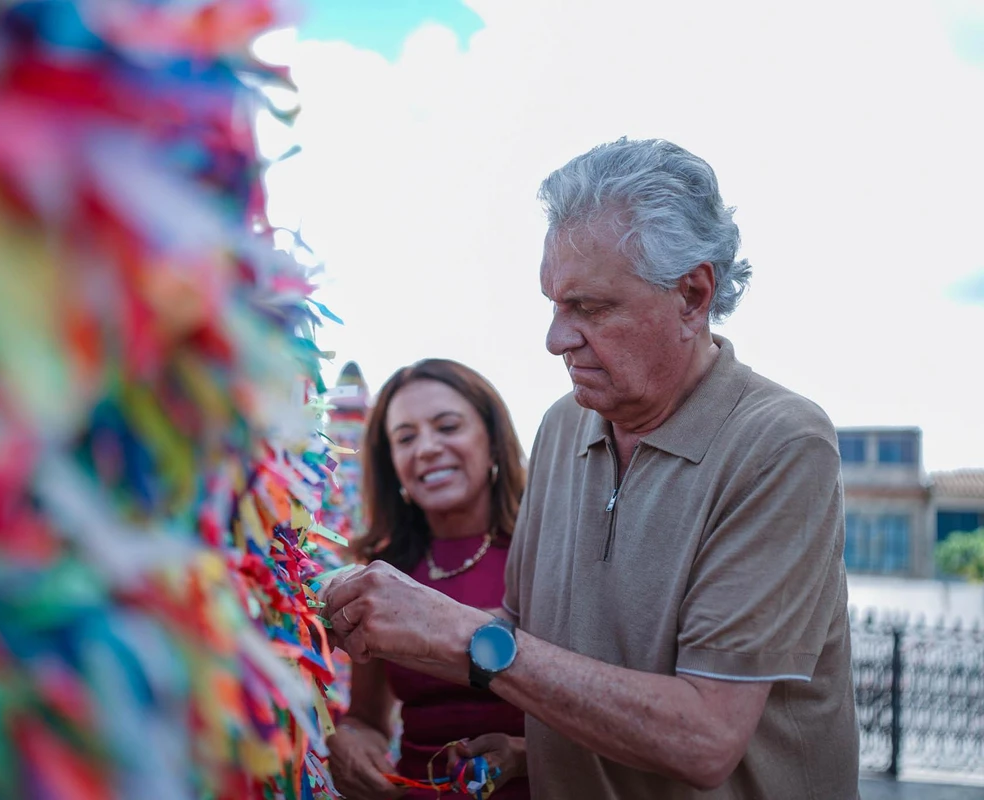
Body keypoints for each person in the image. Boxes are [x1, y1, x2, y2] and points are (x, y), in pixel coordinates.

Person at [321, 138, 860, 799]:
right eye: (553, 304)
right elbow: (526, 637)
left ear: (692, 295)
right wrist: (523, 750)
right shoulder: (562, 426)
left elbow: (705, 737)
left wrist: (453, 630)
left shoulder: (780, 444)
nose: (555, 339)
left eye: (589, 307)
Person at [325, 359, 532, 800]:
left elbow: (608, 718)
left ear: (493, 443)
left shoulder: (548, 555)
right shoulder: (381, 573)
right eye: (406, 438)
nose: (427, 449)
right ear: (392, 463)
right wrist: (353, 742)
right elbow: (368, 719)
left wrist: (522, 754)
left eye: (447, 427)